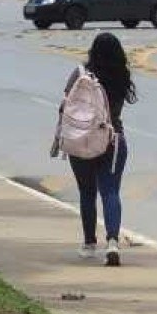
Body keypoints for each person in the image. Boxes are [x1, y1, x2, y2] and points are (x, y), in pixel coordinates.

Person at [63, 32, 137, 266]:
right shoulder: (121, 76)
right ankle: (113, 242)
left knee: (87, 192)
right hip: (113, 139)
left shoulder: (81, 74)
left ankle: (89, 243)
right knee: (110, 191)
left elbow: (65, 105)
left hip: (83, 138)